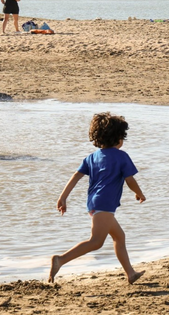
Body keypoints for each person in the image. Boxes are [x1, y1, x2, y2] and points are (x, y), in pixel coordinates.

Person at [49, 112, 146, 285]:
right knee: (96, 242)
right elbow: (130, 180)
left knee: (119, 237)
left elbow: (76, 176)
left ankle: (130, 273)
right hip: (105, 203)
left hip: (94, 203)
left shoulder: (92, 157)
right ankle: (60, 260)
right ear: (118, 138)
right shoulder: (122, 156)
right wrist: (139, 193)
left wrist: (63, 197)